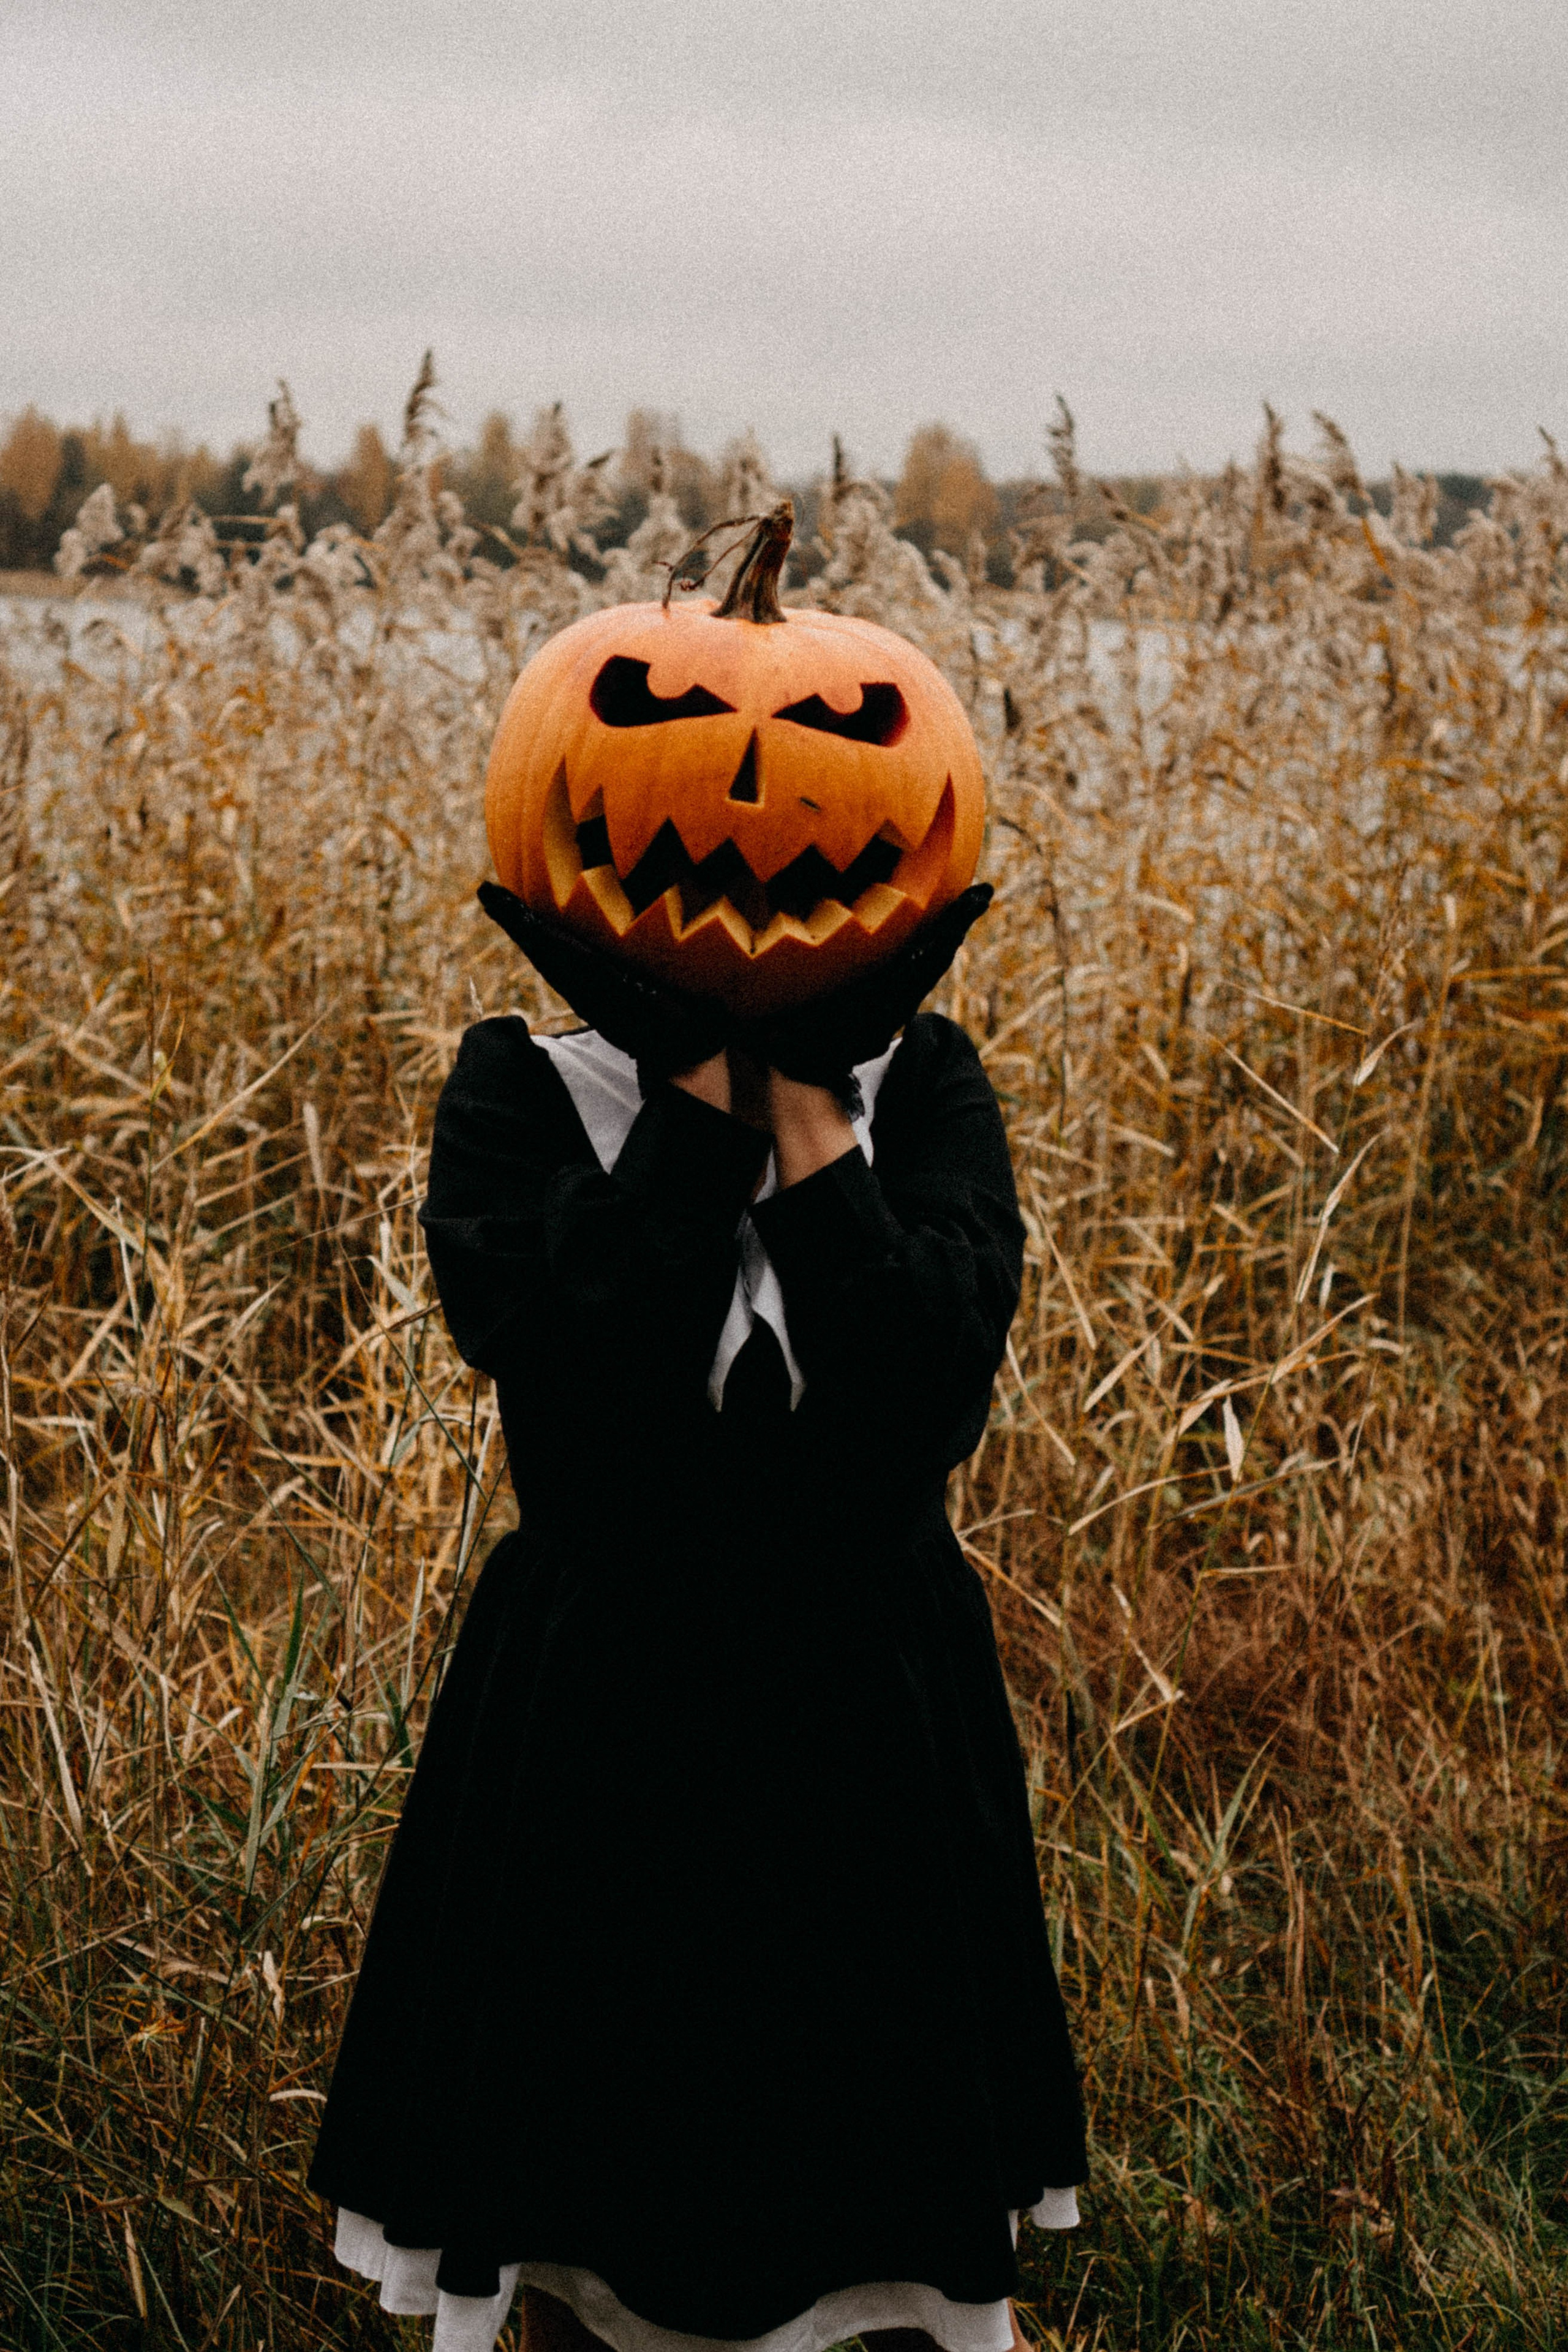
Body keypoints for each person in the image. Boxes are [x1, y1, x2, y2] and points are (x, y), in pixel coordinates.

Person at [308, 881, 1087, 2352]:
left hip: (870, 1705)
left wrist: (806, 1106)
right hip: (601, 1704)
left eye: (797, 875)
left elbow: (924, 1382)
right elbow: (572, 1363)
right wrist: (696, 1112)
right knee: (585, 2183)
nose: (749, 908)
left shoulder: (920, 1081)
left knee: (873, 2166)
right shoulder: (518, 1088)